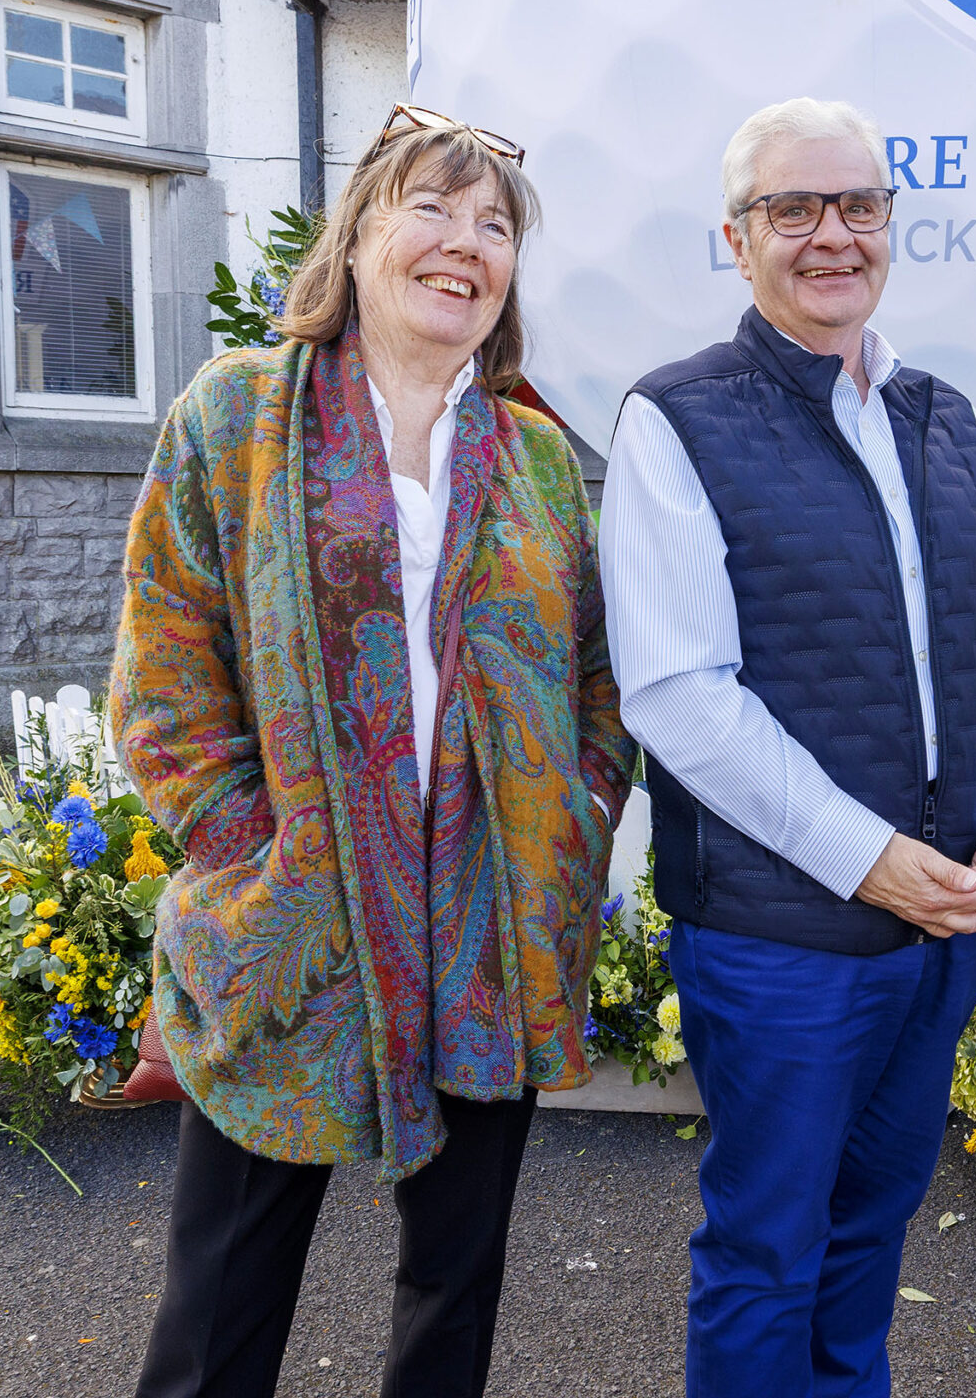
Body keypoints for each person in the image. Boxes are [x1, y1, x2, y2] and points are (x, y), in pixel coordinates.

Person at [114, 105, 630, 1398]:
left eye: (496, 222)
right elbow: (166, 671)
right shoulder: (238, 418)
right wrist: (253, 852)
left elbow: (600, 675)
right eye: (434, 208)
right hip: (291, 927)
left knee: (452, 1302)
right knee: (221, 1310)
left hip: (487, 939)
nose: (466, 242)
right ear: (357, 235)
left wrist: (575, 813)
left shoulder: (537, 458)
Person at [598, 96, 976, 1396]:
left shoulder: (946, 417)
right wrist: (874, 860)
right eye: (792, 207)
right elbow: (681, 692)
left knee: (870, 1230)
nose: (831, 234)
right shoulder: (675, 417)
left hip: (938, 928)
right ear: (737, 236)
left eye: (858, 203)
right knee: (766, 1245)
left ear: (889, 224)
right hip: (776, 940)